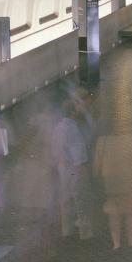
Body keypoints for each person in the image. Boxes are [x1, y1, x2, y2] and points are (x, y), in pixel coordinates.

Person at [50, 100, 91, 238]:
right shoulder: (72, 128)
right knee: (81, 201)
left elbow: (54, 151)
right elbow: (77, 152)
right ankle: (85, 234)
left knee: (65, 202)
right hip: (74, 168)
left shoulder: (57, 128)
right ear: (73, 112)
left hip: (61, 168)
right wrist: (84, 170)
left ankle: (66, 232)